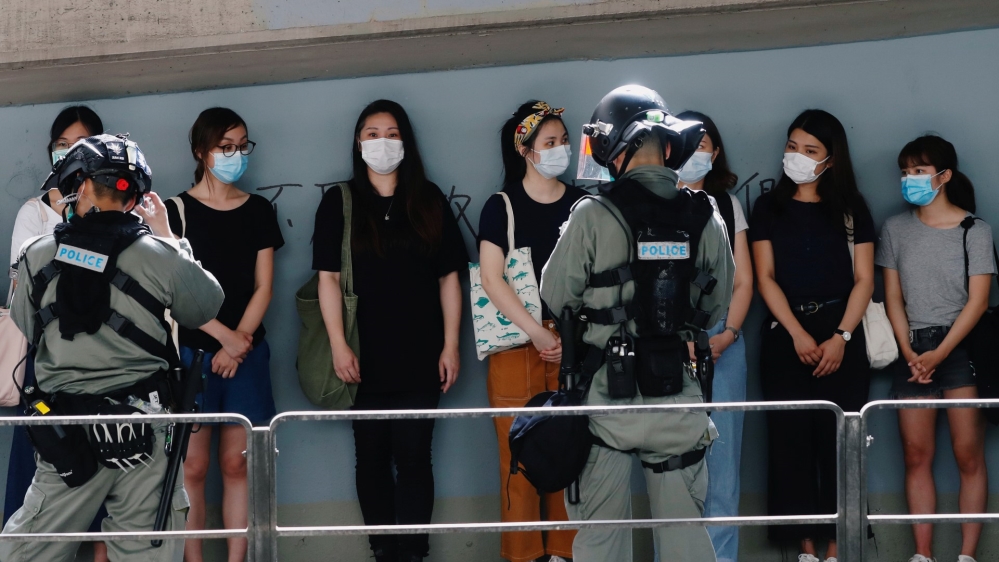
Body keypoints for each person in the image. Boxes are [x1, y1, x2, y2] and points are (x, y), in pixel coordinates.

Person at [0, 134, 224, 562]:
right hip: (146, 432)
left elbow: (26, 325)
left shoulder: (37, 256)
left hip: (68, 434)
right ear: (135, 194)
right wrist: (170, 236)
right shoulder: (160, 255)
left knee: (26, 553)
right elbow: (205, 306)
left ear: (79, 185)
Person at [542, 84, 734, 562]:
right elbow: (715, 308)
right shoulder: (705, 215)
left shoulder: (591, 215)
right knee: (686, 544)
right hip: (678, 403)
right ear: (669, 145)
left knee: (603, 546)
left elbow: (555, 296)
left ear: (612, 147)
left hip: (607, 403)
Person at [311, 99, 468, 562]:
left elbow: (449, 279)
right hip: (363, 351)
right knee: (372, 456)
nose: (383, 142)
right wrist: (339, 345)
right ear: (358, 143)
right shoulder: (339, 201)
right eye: (372, 133)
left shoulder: (428, 199)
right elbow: (328, 280)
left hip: (422, 352)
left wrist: (451, 345)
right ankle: (384, 551)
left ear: (407, 141)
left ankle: (412, 554)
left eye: (392, 132)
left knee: (416, 456)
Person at [750, 109, 874, 562]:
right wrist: (798, 334)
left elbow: (864, 279)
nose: (796, 156)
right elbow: (765, 277)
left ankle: (839, 549)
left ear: (830, 159)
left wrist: (841, 336)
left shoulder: (851, 208)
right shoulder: (767, 206)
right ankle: (804, 548)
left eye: (809, 150)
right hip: (786, 336)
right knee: (789, 442)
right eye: (791, 145)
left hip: (842, 334)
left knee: (841, 442)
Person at [164, 107, 283, 562]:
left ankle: (239, 558)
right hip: (192, 355)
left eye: (241, 146)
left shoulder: (257, 210)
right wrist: (222, 339)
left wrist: (240, 342)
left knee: (239, 465)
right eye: (224, 147)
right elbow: (172, 292)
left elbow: (264, 286)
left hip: (247, 355)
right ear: (201, 151)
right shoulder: (175, 212)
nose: (235, 154)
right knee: (191, 466)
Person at [876, 135, 992, 562]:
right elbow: (892, 297)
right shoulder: (894, 228)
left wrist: (940, 354)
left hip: (960, 350)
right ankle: (922, 554)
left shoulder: (974, 230)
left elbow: (979, 301)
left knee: (968, 454)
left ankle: (967, 554)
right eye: (905, 172)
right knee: (915, 454)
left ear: (944, 176)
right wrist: (909, 349)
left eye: (919, 171)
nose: (910, 179)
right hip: (912, 350)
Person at [478, 100, 585, 562]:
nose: (560, 149)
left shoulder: (584, 204)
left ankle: (565, 553)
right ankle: (522, 555)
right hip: (517, 344)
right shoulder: (501, 205)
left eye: (563, 141)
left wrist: (566, 336)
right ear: (525, 149)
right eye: (549, 142)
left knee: (572, 452)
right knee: (516, 460)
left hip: (575, 343)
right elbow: (490, 276)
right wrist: (537, 333)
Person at [4, 105, 110, 562]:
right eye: (61, 145)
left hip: (106, 366)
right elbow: (23, 284)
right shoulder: (34, 213)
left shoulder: (118, 212)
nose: (68, 153)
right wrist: (62, 219)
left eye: (80, 145)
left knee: (109, 480)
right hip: (47, 369)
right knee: (41, 474)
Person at [675, 110, 752, 562]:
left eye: (703, 143)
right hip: (670, 346)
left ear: (715, 152)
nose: (695, 152)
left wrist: (728, 334)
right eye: (686, 143)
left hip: (724, 343)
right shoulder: (656, 202)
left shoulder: (727, 204)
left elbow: (742, 281)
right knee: (673, 470)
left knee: (722, 469)